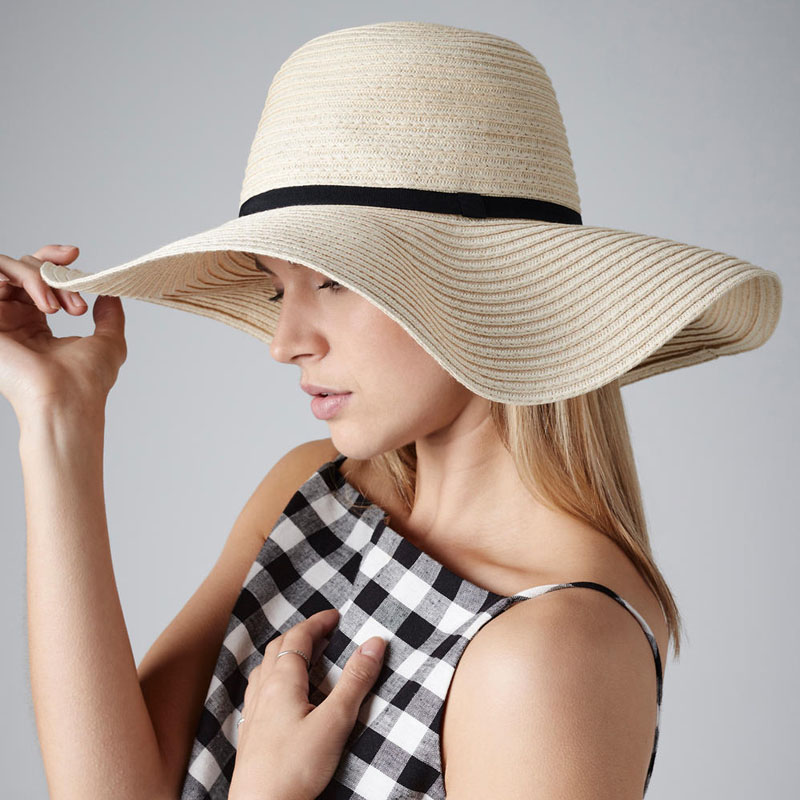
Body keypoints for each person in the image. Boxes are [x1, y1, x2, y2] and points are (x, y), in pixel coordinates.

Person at [0, 20, 782, 800]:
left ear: (489, 286)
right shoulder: (313, 491)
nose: (285, 342)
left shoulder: (549, 655)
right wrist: (59, 419)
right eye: (278, 288)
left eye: (334, 281)